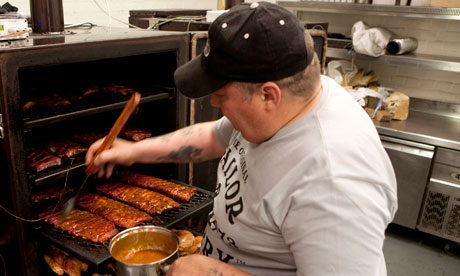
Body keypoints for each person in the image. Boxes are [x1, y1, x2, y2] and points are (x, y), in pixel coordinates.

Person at [86, 2, 397, 275]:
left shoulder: (334, 183)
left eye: (221, 95)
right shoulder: (293, 99)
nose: (214, 104)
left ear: (268, 95)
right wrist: (131, 151)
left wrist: (214, 274)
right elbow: (212, 136)